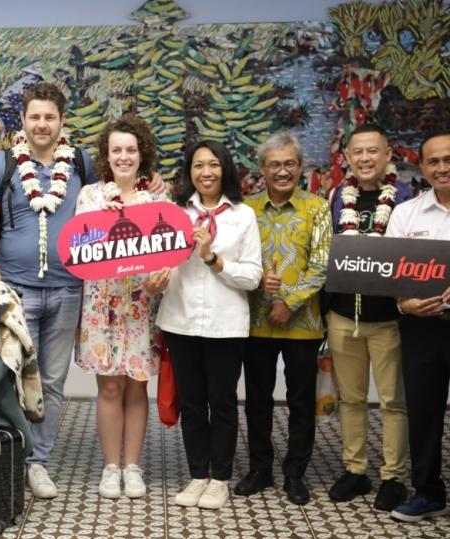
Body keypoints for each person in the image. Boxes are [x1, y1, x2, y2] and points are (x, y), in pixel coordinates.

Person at [0, 82, 164, 499]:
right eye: (34, 117)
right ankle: (10, 458)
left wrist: (161, 194)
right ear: (22, 121)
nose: (42, 124)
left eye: (50, 117)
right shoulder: (2, 164)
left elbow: (129, 189)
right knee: (10, 378)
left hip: (68, 291)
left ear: (62, 121)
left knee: (53, 382)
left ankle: (38, 464)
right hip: (16, 288)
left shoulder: (79, 163)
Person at [155, 140, 262, 510]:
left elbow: (252, 277)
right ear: (189, 172)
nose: (206, 172)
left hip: (226, 325)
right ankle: (198, 475)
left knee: (223, 403)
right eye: (198, 165)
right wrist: (156, 275)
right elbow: (158, 262)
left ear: (225, 169)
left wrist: (213, 258)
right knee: (192, 404)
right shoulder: (173, 213)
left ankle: (220, 479)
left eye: (213, 164)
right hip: (180, 321)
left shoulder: (243, 216)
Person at [74, 115, 170, 499]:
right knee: (110, 388)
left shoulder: (159, 198)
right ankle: (110, 468)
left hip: (142, 306)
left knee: (137, 387)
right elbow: (81, 249)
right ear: (106, 155)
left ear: (142, 153)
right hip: (102, 307)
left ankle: (133, 467)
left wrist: (164, 276)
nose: (124, 156)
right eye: (117, 150)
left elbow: (170, 254)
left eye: (131, 149)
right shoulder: (90, 197)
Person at [238, 132, 332, 505]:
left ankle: (295, 473)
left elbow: (322, 265)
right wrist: (262, 285)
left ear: (300, 167)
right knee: (257, 399)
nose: (282, 171)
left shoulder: (317, 208)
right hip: (255, 322)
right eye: (274, 164)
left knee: (300, 400)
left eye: (289, 164)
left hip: (304, 325)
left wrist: (289, 302)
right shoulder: (246, 209)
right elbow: (239, 261)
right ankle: (260, 469)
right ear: (262, 169)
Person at [325, 124, 412, 510]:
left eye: (372, 151)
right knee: (351, 399)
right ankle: (355, 470)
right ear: (347, 157)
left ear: (387, 154)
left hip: (389, 318)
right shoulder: (335, 198)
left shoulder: (407, 200)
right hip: (343, 315)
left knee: (394, 401)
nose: (364, 159)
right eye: (357, 152)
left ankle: (393, 476)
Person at [387, 132, 450, 522]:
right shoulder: (406, 214)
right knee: (423, 413)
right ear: (422, 167)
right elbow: (391, 273)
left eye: (448, 159)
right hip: (421, 327)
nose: (442, 167)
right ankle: (428, 492)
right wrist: (403, 303)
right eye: (434, 161)